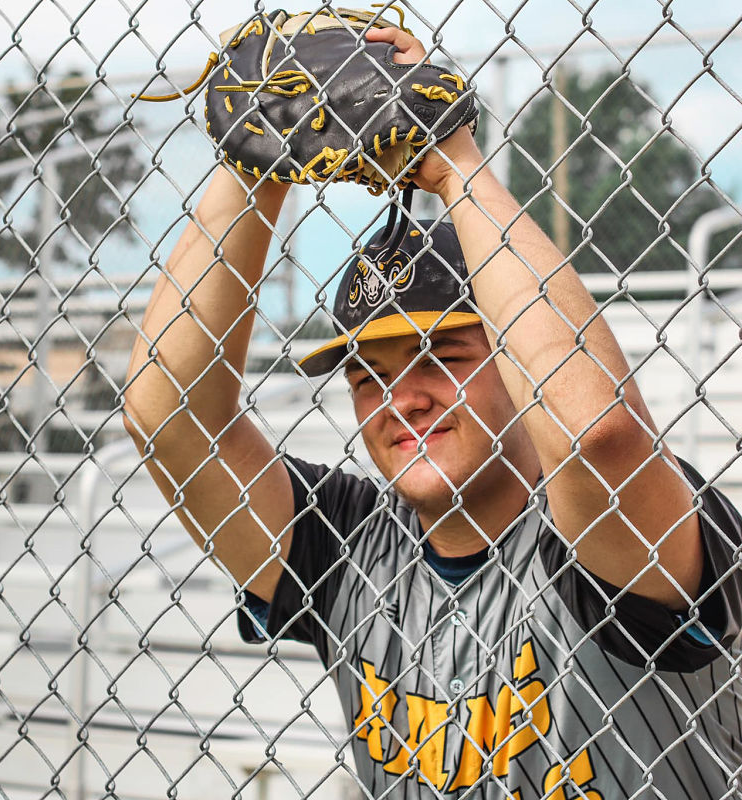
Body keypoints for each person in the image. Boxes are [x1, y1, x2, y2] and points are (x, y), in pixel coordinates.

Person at [124, 24, 742, 800]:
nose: (401, 399)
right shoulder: (350, 546)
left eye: (442, 359)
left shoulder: (603, 530)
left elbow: (593, 438)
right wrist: (255, 168)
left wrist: (451, 160)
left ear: (514, 362)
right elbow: (169, 419)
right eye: (367, 375)